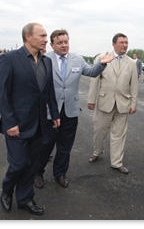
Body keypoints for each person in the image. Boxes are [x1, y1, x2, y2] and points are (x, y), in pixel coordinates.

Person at [34, 29, 115, 189]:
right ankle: (37, 172)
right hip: (50, 111)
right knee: (46, 144)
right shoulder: (44, 59)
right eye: (60, 43)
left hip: (70, 110)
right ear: (52, 44)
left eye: (66, 42)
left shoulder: (77, 59)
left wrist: (101, 64)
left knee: (65, 146)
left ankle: (60, 173)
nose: (64, 45)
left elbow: (91, 72)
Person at [0, 23, 60, 215]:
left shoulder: (46, 61)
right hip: (17, 125)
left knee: (32, 164)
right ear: (27, 36)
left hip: (40, 123)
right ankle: (7, 191)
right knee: (19, 163)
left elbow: (48, 92)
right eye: (42, 36)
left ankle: (25, 198)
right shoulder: (9, 59)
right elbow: (1, 94)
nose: (45, 39)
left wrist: (55, 114)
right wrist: (9, 121)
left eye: (46, 36)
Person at [87, 33, 138, 174]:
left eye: (126, 42)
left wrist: (134, 104)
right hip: (104, 102)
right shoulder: (101, 58)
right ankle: (97, 151)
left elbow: (134, 85)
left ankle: (117, 162)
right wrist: (91, 100)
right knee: (99, 131)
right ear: (114, 44)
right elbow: (94, 80)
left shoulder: (131, 63)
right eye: (121, 42)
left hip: (123, 104)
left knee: (119, 135)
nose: (124, 45)